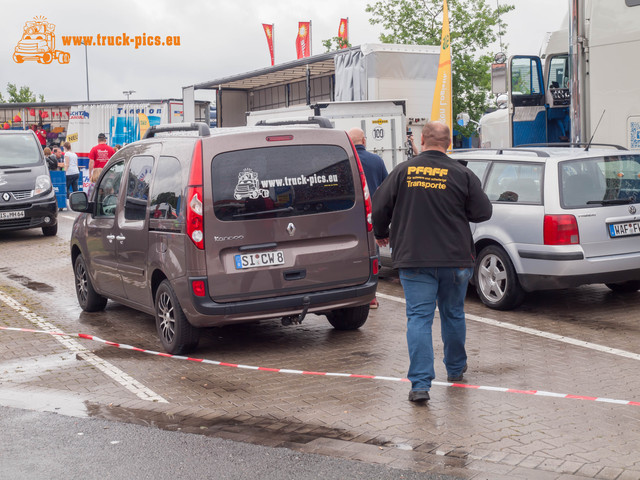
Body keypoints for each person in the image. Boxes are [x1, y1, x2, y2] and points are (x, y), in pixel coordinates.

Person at [371, 121, 492, 403]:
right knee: (453, 313)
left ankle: (420, 385)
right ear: (448, 144)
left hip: (414, 259)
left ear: (422, 140)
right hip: (455, 259)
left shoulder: (403, 171)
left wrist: (381, 233)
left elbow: (379, 205)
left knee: (419, 319)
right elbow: (483, 212)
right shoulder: (462, 173)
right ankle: (455, 369)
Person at [348, 127, 388, 309]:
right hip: (371, 216)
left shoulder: (343, 160)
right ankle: (371, 297)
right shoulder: (376, 161)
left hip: (348, 217)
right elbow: (385, 189)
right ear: (364, 141)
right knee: (372, 254)